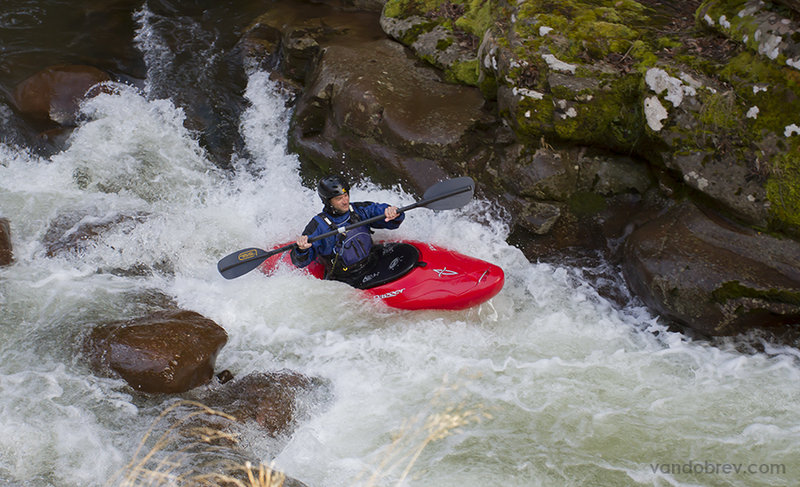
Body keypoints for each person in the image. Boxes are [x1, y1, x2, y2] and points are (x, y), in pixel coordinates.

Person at [291, 175, 404, 285]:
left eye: (345, 195)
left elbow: (388, 219)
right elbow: (299, 262)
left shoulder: (359, 210)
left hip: (371, 260)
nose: (345, 201)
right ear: (328, 201)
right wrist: (301, 249)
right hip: (346, 277)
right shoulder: (318, 226)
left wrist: (393, 212)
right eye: (339, 198)